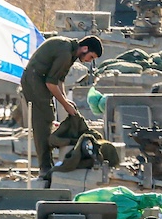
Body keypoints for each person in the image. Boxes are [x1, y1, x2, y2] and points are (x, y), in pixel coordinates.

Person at [21, 35, 102, 185]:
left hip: (39, 79)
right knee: (43, 120)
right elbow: (51, 83)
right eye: (91, 56)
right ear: (85, 48)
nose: (89, 61)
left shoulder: (71, 51)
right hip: (34, 80)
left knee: (47, 117)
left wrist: (66, 99)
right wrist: (65, 104)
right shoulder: (65, 52)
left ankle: (47, 164)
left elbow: (60, 80)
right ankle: (44, 167)